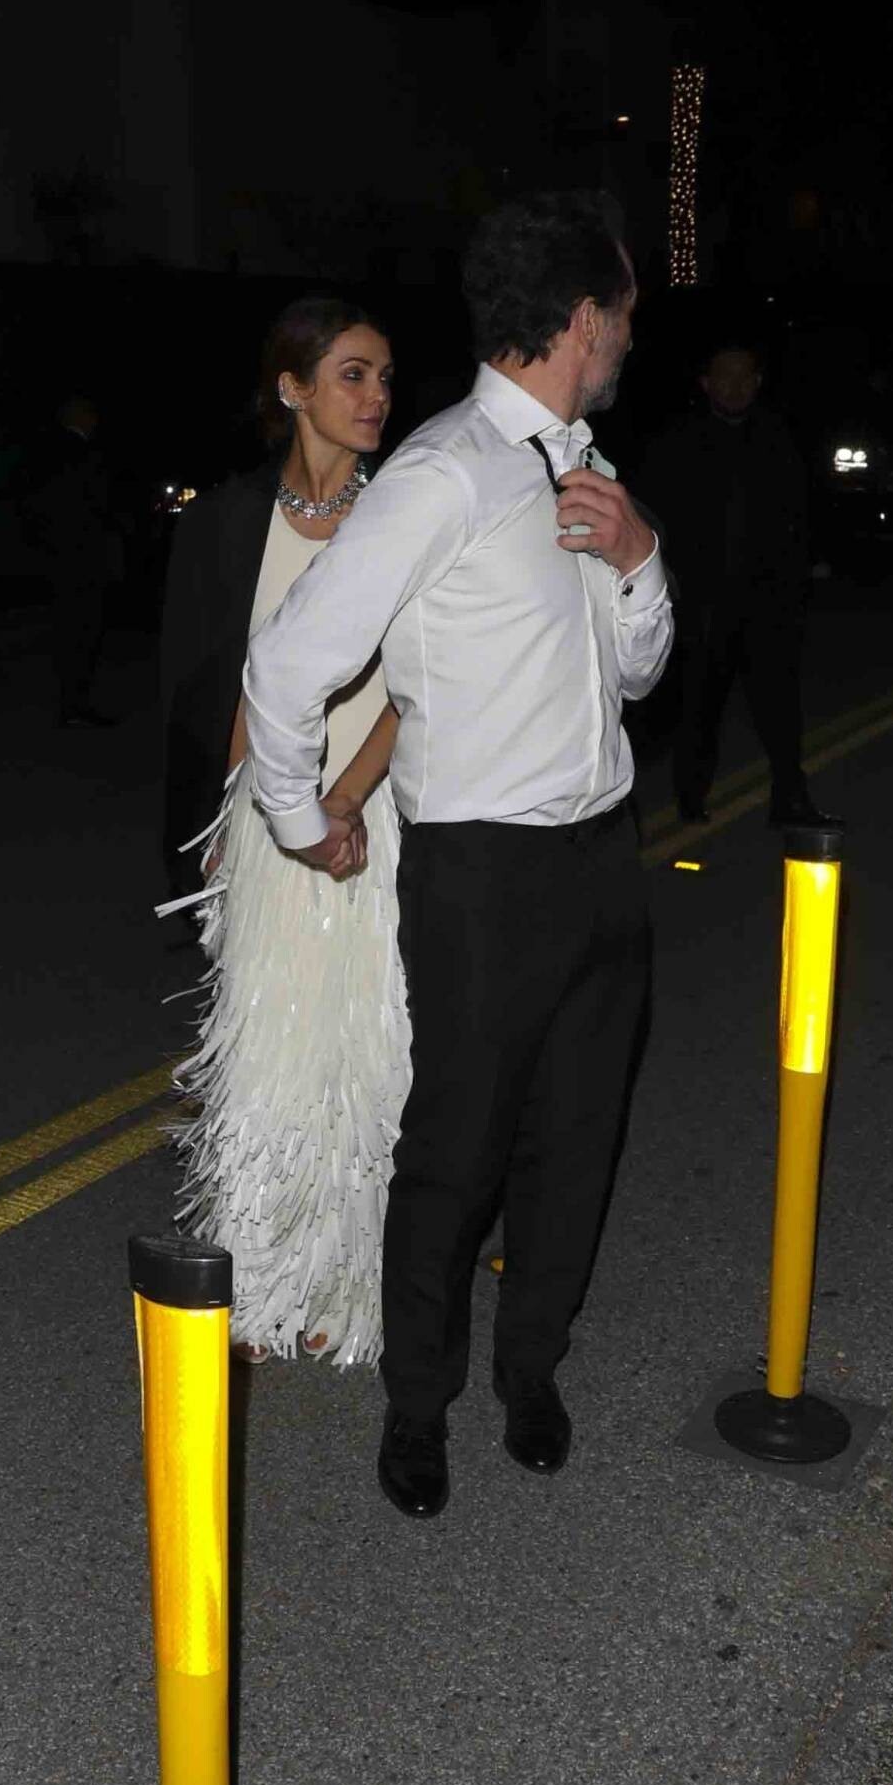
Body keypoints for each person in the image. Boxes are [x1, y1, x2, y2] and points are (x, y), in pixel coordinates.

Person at [244, 191, 673, 1517]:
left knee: (577, 1143)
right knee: (457, 1154)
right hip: (482, 877)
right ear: (585, 320)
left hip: (605, 859)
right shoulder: (443, 473)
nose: (631, 336)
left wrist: (641, 560)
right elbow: (289, 665)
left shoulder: (589, 469)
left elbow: (638, 676)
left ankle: (529, 1370)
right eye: (625, 314)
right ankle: (416, 1407)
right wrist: (300, 819)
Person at [159, 297, 409, 1368]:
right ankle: (259, 1282)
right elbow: (207, 684)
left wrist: (343, 800)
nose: (376, 396)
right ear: (293, 388)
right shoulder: (227, 521)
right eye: (353, 375)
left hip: (378, 816)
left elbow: (418, 685)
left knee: (365, 1055)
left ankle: (346, 1286)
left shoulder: (405, 514)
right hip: (264, 813)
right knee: (269, 1054)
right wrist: (223, 819)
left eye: (385, 377)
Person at [643, 343, 842, 830]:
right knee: (698, 708)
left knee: (779, 709)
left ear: (757, 382)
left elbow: (804, 508)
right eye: (724, 376)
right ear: (705, 383)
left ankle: (791, 798)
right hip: (703, 603)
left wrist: (806, 569)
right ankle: (690, 799)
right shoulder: (680, 442)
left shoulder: (778, 437)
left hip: (767, 603)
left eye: (744, 376)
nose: (734, 386)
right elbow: (652, 513)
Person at [24, 394, 116, 727]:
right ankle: (76, 704)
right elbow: (96, 505)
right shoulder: (82, 454)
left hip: (61, 556)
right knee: (82, 630)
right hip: (82, 557)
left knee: (69, 629)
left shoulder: (48, 453)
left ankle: (71, 701)